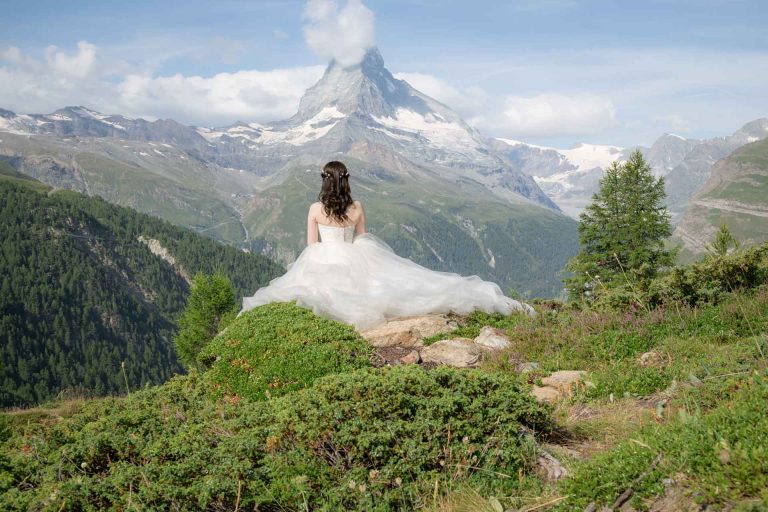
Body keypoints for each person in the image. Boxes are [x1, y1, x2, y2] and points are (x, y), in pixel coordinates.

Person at [240, 161, 534, 329]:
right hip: (355, 253)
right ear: (345, 181)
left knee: (313, 290)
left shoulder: (315, 208)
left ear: (325, 181)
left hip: (322, 256)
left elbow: (310, 243)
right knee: (378, 286)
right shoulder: (356, 206)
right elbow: (363, 237)